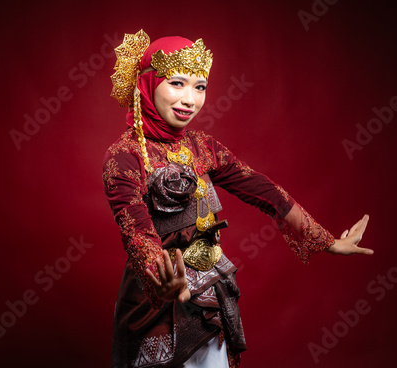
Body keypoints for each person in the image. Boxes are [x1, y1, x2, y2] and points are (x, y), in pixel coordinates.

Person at [103, 30, 373, 368]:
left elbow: (263, 190)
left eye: (199, 87)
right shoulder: (125, 156)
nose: (190, 99)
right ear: (148, 82)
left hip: (211, 296)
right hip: (157, 301)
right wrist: (164, 279)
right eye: (177, 83)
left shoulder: (203, 146)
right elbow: (135, 229)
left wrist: (327, 241)